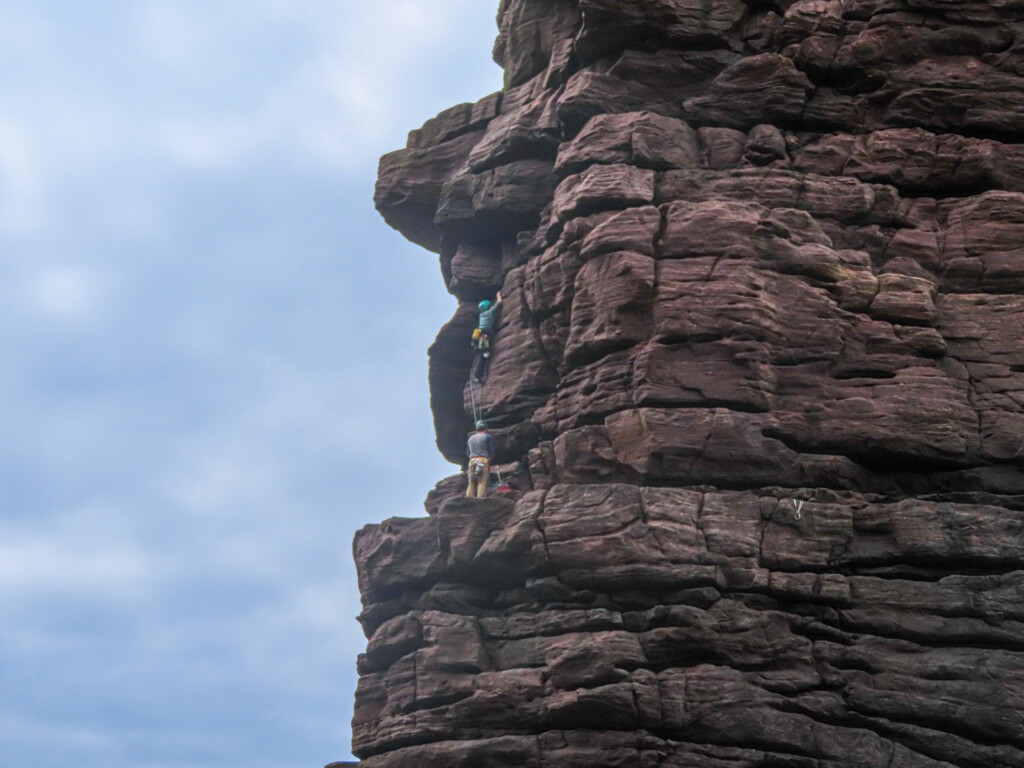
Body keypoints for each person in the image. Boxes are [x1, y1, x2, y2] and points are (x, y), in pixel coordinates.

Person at [471, 292, 502, 382]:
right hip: (483, 336)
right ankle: (477, 377)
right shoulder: (490, 313)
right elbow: (499, 302)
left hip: (477, 336)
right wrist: (498, 295)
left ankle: (478, 376)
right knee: (484, 355)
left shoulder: (482, 315)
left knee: (482, 355)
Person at [465, 420, 496, 498]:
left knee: (471, 482)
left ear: (476, 429)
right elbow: (491, 450)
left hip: (472, 461)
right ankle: (480, 499)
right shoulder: (487, 436)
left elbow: (468, 453)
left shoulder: (470, 439)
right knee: (481, 482)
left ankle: (469, 499)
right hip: (482, 460)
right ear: (486, 428)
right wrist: (490, 457)